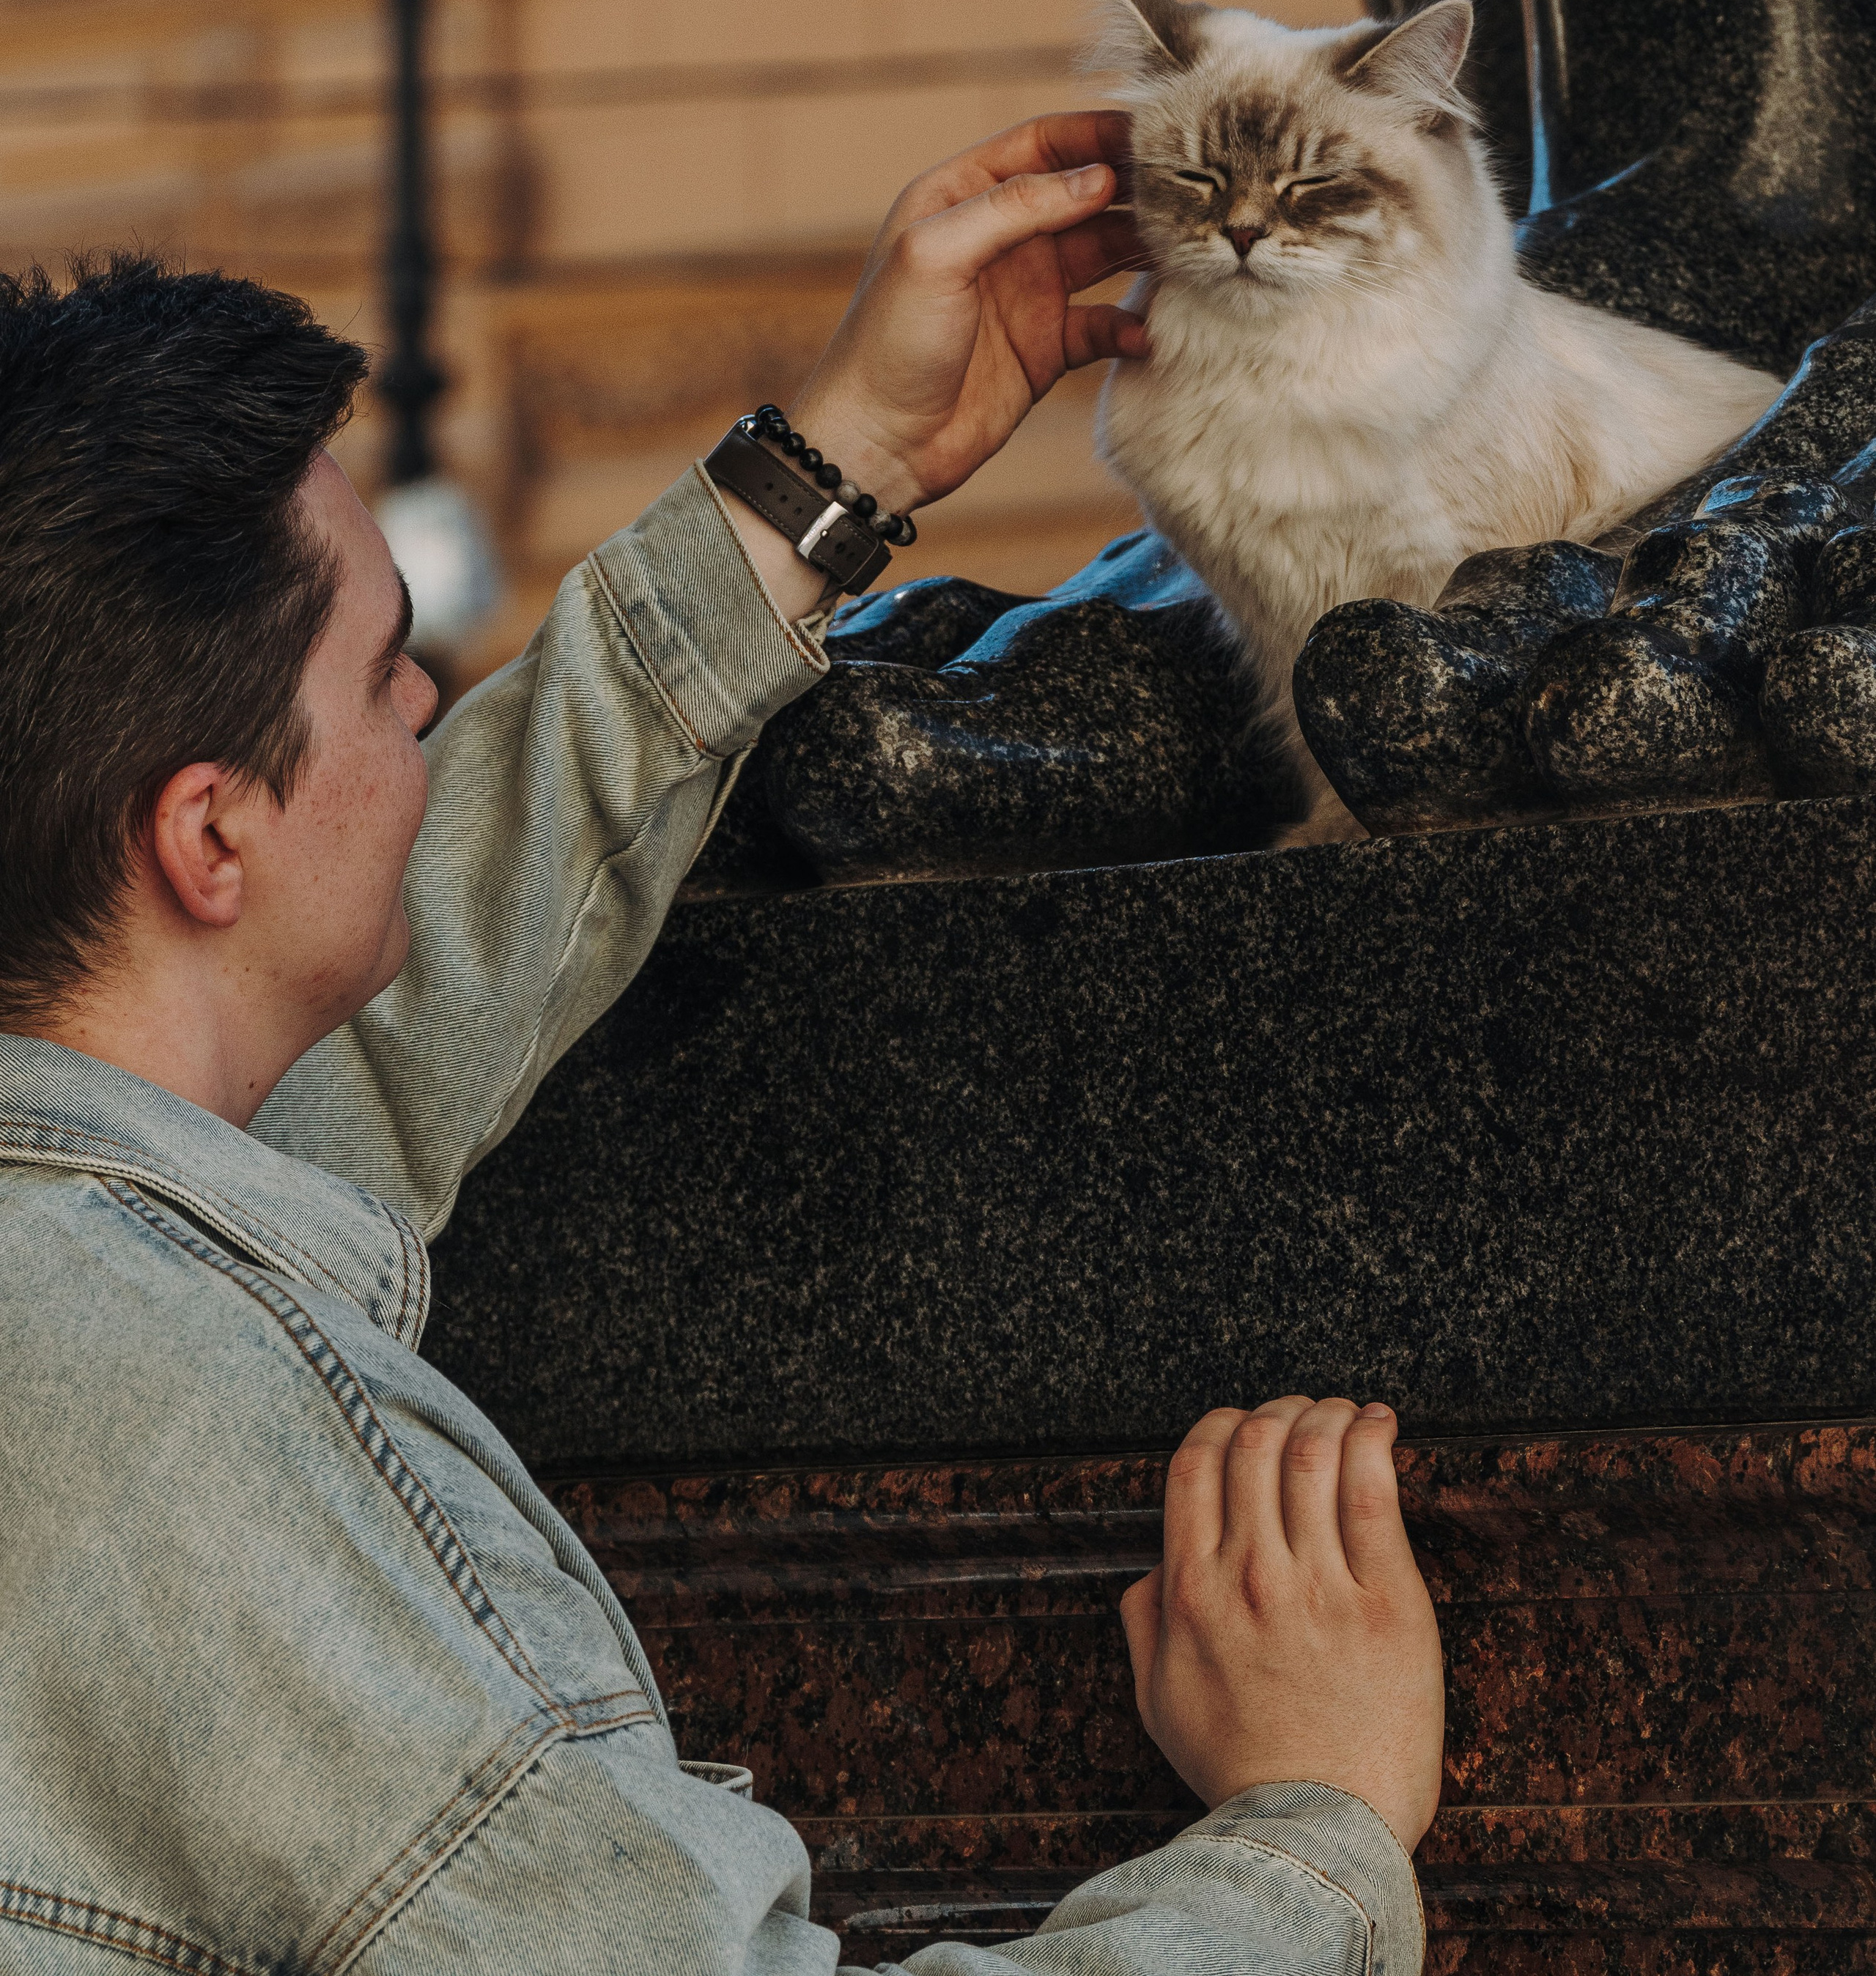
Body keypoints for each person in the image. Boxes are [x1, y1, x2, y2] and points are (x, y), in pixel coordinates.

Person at [0, 112, 1444, 1974]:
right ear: (207, 837)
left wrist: (836, 469)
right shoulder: (199, 1427)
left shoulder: (80, 1267)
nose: (430, 695)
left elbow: (395, 995)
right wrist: (1311, 1831)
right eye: (379, 670)